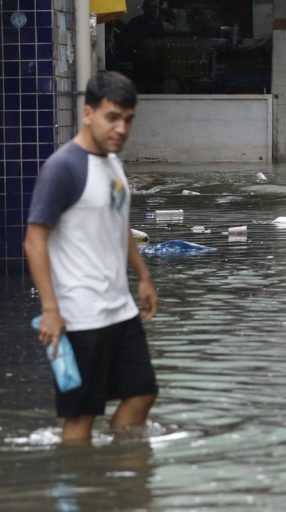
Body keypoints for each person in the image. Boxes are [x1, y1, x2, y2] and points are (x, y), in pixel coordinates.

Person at [23, 71, 160, 444]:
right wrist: (50, 309)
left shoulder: (113, 162)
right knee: (81, 419)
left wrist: (143, 276)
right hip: (80, 316)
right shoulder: (63, 168)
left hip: (120, 309)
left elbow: (119, 224)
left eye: (128, 120)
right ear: (88, 113)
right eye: (112, 117)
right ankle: (83, 489)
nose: (120, 128)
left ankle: (119, 477)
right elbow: (34, 241)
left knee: (143, 393)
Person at [127, 0, 166, 93]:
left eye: (156, 7)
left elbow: (162, 43)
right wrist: (138, 53)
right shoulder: (136, 23)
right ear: (144, 8)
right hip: (140, 68)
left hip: (156, 69)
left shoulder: (159, 24)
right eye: (150, 7)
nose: (153, 10)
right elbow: (128, 44)